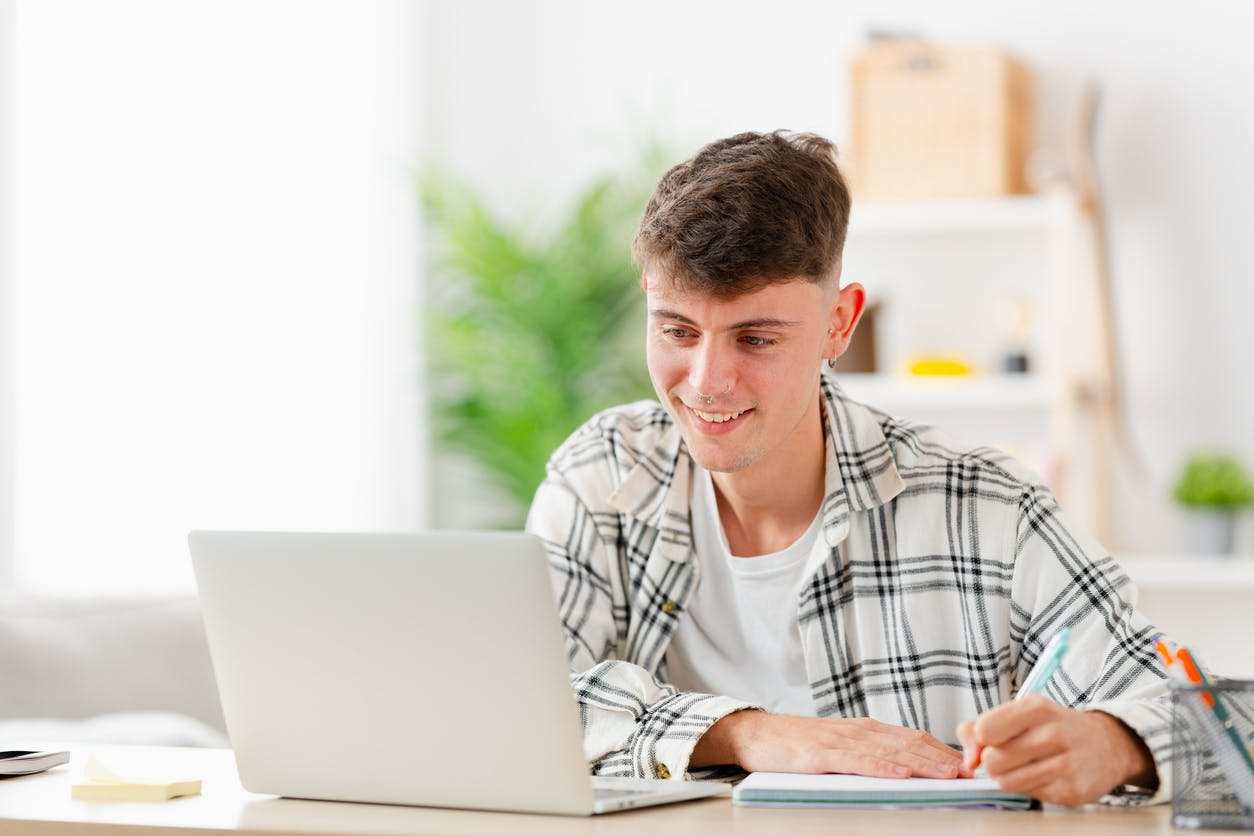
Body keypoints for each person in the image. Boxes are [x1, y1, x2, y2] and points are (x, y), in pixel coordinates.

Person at [525, 130, 1171, 806]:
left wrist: (1115, 742)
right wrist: (751, 733)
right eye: (677, 332)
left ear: (840, 322)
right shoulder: (603, 478)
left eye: (756, 338)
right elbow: (519, 702)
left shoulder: (986, 507)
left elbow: (1212, 717)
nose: (707, 382)